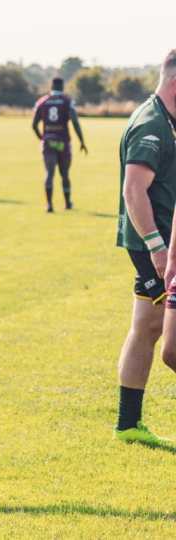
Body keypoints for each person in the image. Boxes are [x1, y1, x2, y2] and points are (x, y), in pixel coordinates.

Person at [114, 50, 176, 446]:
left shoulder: (164, 120)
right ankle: (128, 423)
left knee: (147, 328)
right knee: (167, 338)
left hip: (159, 244)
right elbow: (134, 190)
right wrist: (157, 246)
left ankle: (128, 424)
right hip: (157, 245)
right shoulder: (152, 125)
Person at [32, 77, 87, 212]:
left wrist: (42, 139)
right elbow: (75, 122)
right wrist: (82, 141)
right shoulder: (67, 101)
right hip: (63, 142)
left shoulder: (42, 102)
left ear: (51, 86)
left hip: (48, 141)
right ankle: (68, 203)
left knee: (49, 173)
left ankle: (49, 205)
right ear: (62, 87)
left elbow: (34, 125)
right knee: (65, 174)